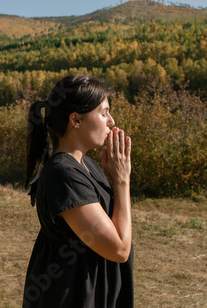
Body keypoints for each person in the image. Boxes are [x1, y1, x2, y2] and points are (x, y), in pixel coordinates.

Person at [23, 74, 133, 307]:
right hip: (75, 295)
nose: (111, 121)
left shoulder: (86, 165)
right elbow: (119, 249)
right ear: (76, 120)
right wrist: (122, 181)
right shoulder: (64, 174)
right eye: (103, 113)